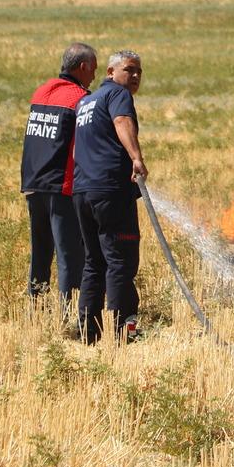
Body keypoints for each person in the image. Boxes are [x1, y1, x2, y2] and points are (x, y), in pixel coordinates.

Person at [72, 49, 149, 344]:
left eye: (139, 72)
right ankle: (124, 331)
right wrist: (136, 158)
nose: (135, 76)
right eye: (129, 70)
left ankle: (88, 331)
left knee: (94, 261)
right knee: (121, 261)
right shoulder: (117, 95)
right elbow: (121, 123)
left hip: (84, 191)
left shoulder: (85, 102)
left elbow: (79, 148)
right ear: (110, 72)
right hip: (111, 191)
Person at [20, 42, 97, 316]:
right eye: (93, 70)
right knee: (70, 256)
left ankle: (36, 310)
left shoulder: (41, 91)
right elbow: (81, 145)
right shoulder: (80, 99)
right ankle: (69, 314)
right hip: (61, 187)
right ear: (83, 67)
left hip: (33, 182)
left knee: (40, 253)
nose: (94, 77)